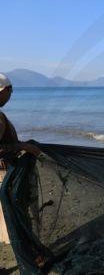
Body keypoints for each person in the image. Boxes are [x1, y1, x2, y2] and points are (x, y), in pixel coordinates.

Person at [0, 74, 41, 245]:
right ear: (4, 90)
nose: (11, 95)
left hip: (6, 172)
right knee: (17, 216)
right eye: (11, 90)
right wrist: (24, 147)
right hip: (6, 175)